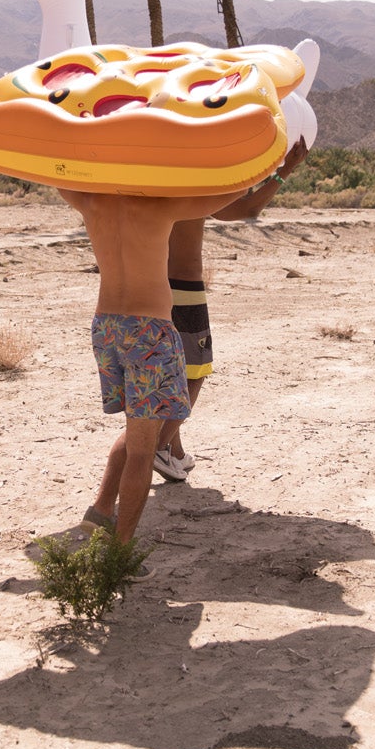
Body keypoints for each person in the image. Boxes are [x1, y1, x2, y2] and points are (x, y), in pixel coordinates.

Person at [55, 188, 246, 551]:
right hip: (149, 333)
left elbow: (47, 170)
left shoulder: (91, 201)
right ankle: (121, 553)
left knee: (135, 425)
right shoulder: (163, 206)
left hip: (106, 326)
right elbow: (226, 194)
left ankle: (98, 516)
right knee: (143, 447)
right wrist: (274, 164)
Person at [155, 139, 310, 481]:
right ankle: (160, 446)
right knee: (196, 371)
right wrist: (284, 171)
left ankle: (175, 452)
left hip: (152, 289)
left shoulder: (153, 182)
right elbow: (245, 209)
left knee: (170, 372)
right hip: (185, 290)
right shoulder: (193, 185)